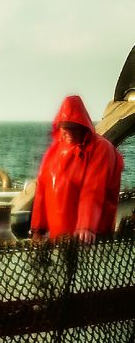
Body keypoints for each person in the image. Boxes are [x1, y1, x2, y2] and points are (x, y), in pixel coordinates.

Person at [31, 95, 124, 243]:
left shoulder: (101, 149)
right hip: (58, 240)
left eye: (73, 127)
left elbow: (93, 188)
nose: (68, 132)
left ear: (83, 126)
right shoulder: (53, 152)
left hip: (93, 239)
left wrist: (86, 226)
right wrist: (37, 229)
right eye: (65, 127)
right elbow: (42, 189)